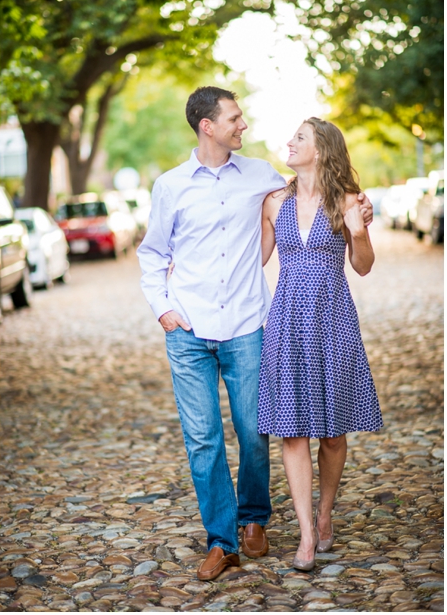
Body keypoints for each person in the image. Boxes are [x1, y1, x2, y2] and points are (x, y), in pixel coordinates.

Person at [137, 86, 372, 582]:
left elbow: (333, 228)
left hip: (252, 324)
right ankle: (224, 541)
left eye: (241, 118)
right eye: (235, 118)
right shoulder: (173, 186)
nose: (243, 125)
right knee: (206, 439)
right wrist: (164, 308)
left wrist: (359, 217)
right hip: (195, 326)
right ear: (208, 126)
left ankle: (255, 518)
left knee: (255, 431)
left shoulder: (263, 179)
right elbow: (155, 254)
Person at [257, 118, 382, 571]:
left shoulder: (349, 201)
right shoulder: (274, 203)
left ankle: (326, 514)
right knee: (292, 430)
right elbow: (259, 258)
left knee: (332, 433)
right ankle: (307, 534)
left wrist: (360, 230)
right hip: (287, 322)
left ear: (322, 149)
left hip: (334, 321)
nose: (289, 143)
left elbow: (363, 266)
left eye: (299, 138)